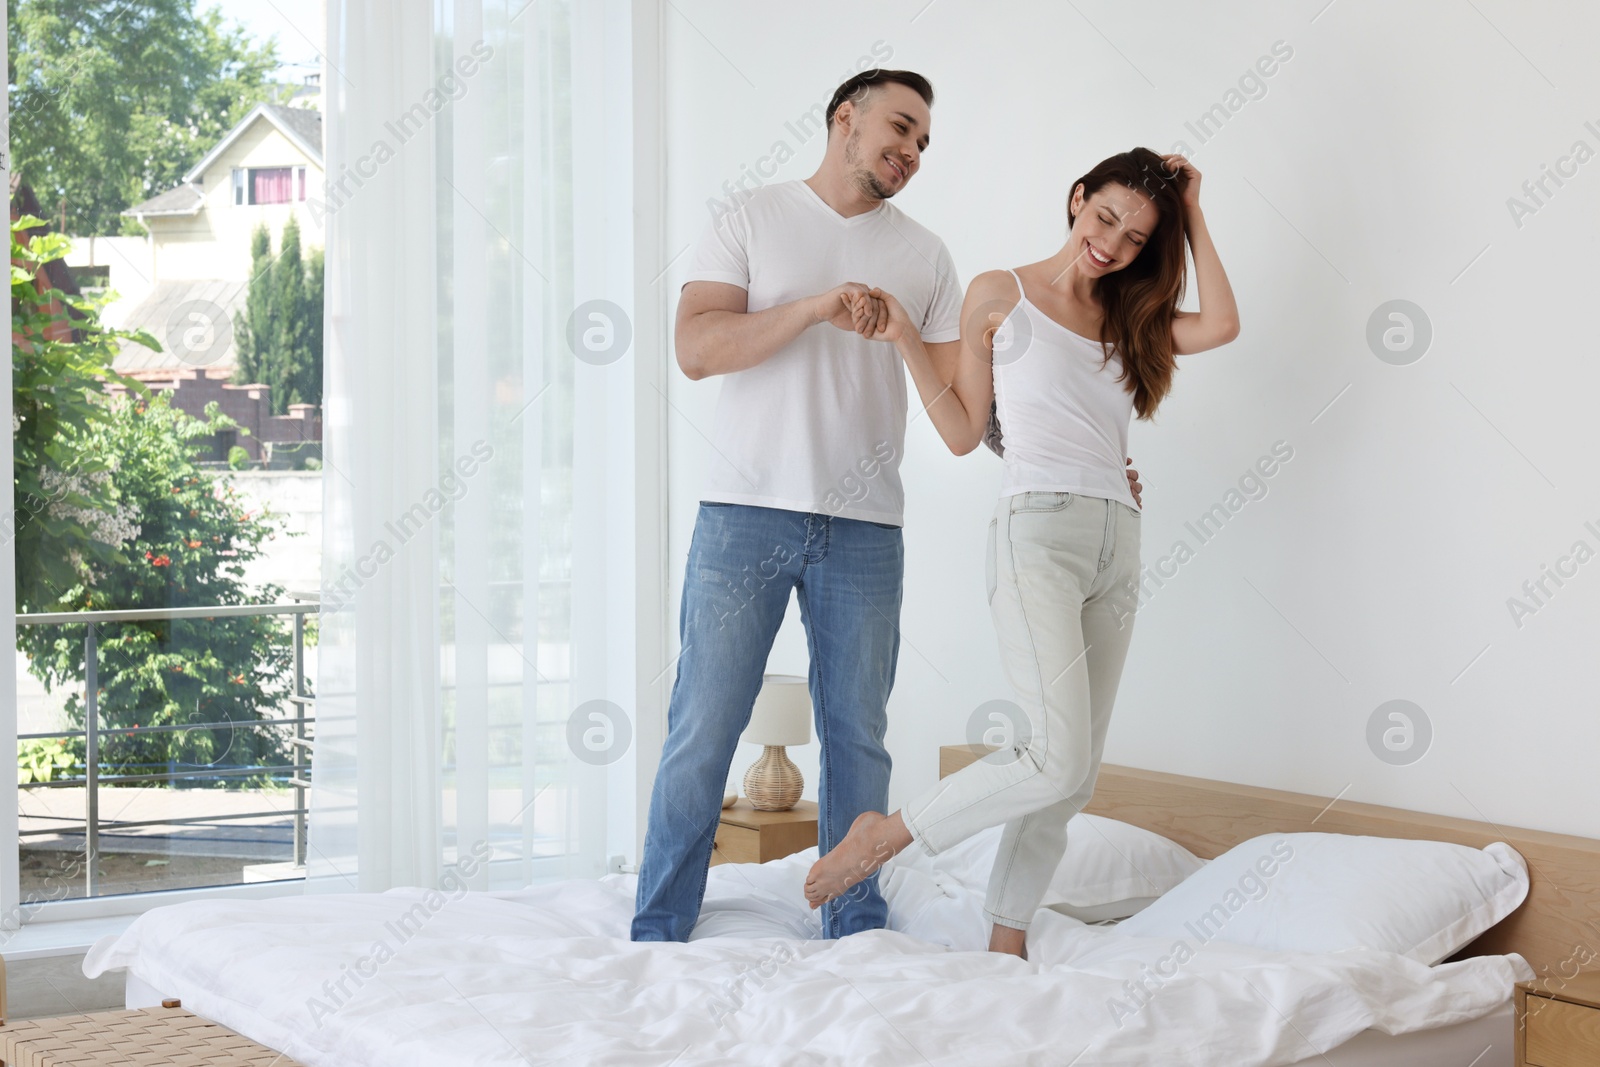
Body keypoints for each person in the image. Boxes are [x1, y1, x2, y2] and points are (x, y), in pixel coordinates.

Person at [802, 147, 1239, 959]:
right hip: (1035, 531)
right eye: (1105, 216)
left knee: (1072, 773)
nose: (1112, 242)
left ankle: (1007, 937)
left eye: (1137, 237)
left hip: (1119, 536)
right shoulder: (1000, 292)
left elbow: (1220, 322)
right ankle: (885, 834)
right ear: (1076, 199)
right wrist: (903, 335)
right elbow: (966, 430)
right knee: (1053, 749)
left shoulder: (1126, 317)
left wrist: (1194, 209)